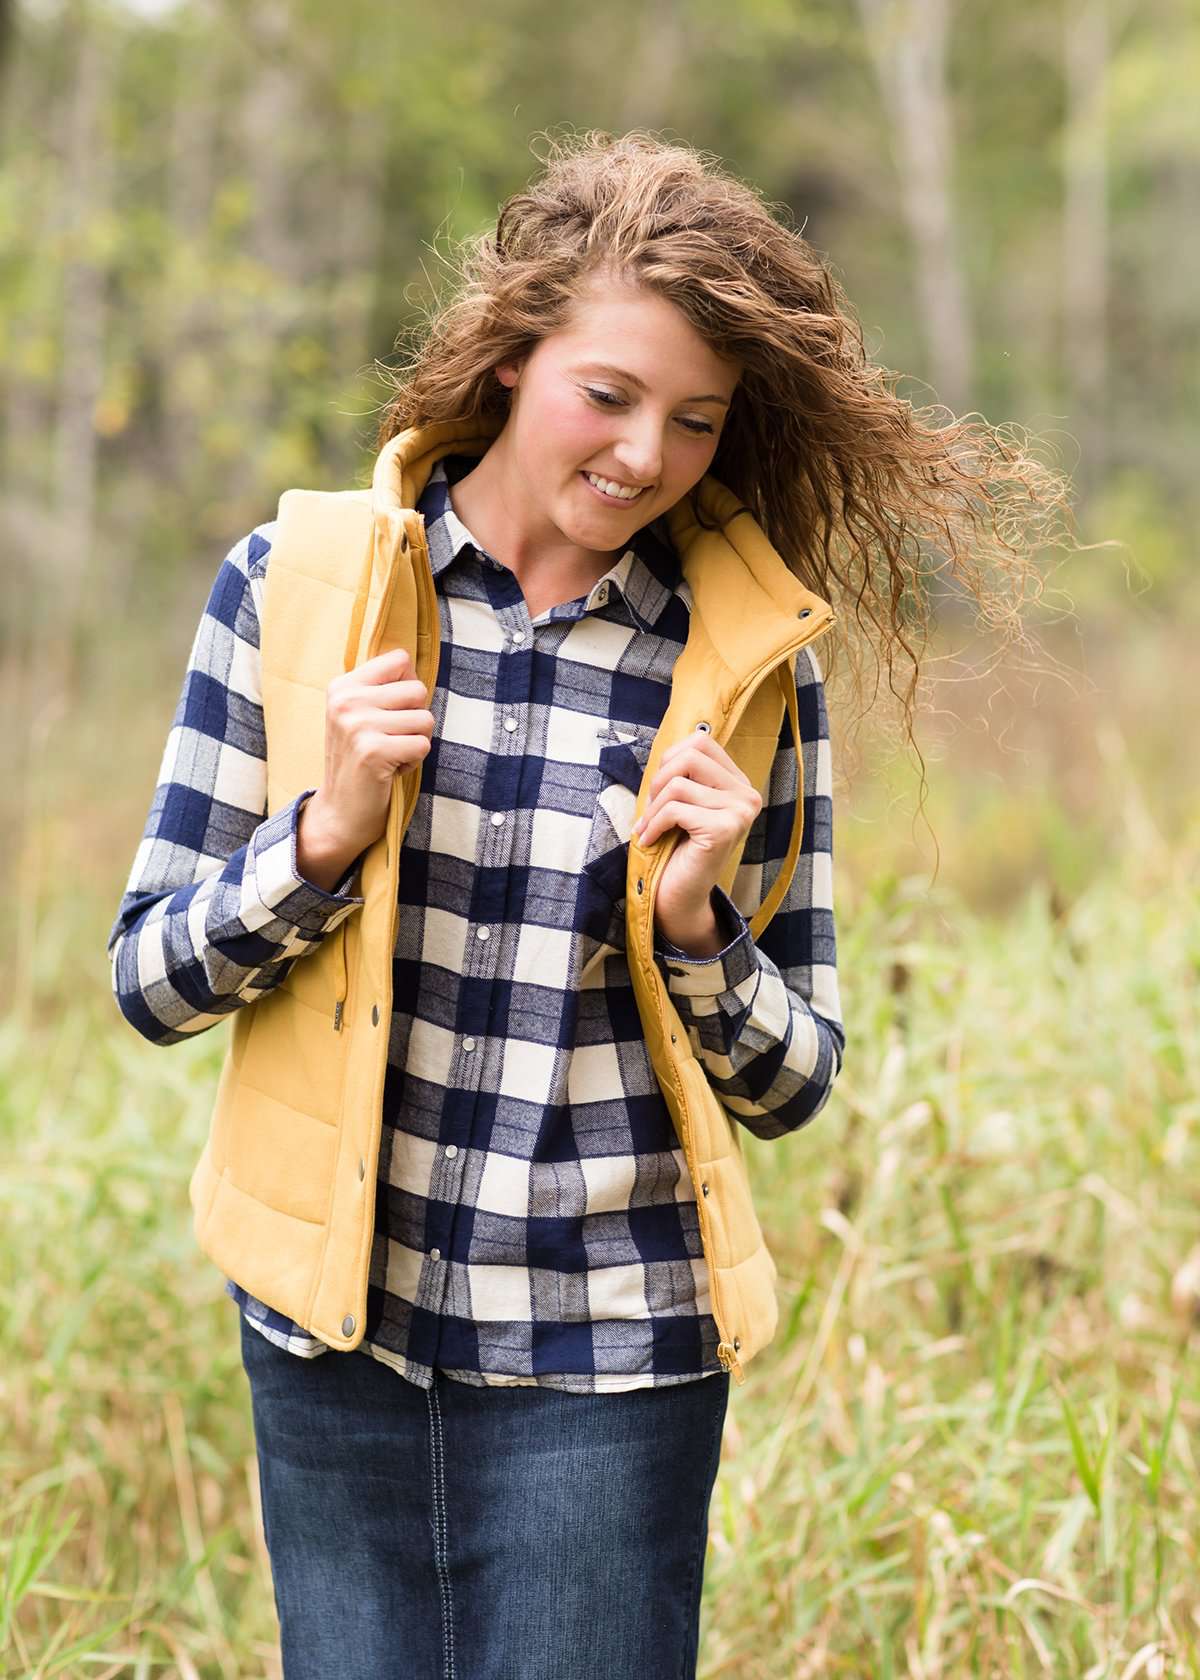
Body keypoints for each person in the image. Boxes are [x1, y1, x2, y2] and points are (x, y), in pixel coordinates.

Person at [107, 130, 1071, 1679]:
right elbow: (148, 982)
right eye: (608, 395)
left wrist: (700, 930)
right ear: (510, 355)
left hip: (611, 1370)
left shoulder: (748, 667)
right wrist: (325, 836)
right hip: (330, 1353)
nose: (645, 456)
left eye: (696, 421)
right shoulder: (294, 586)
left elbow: (798, 1077)